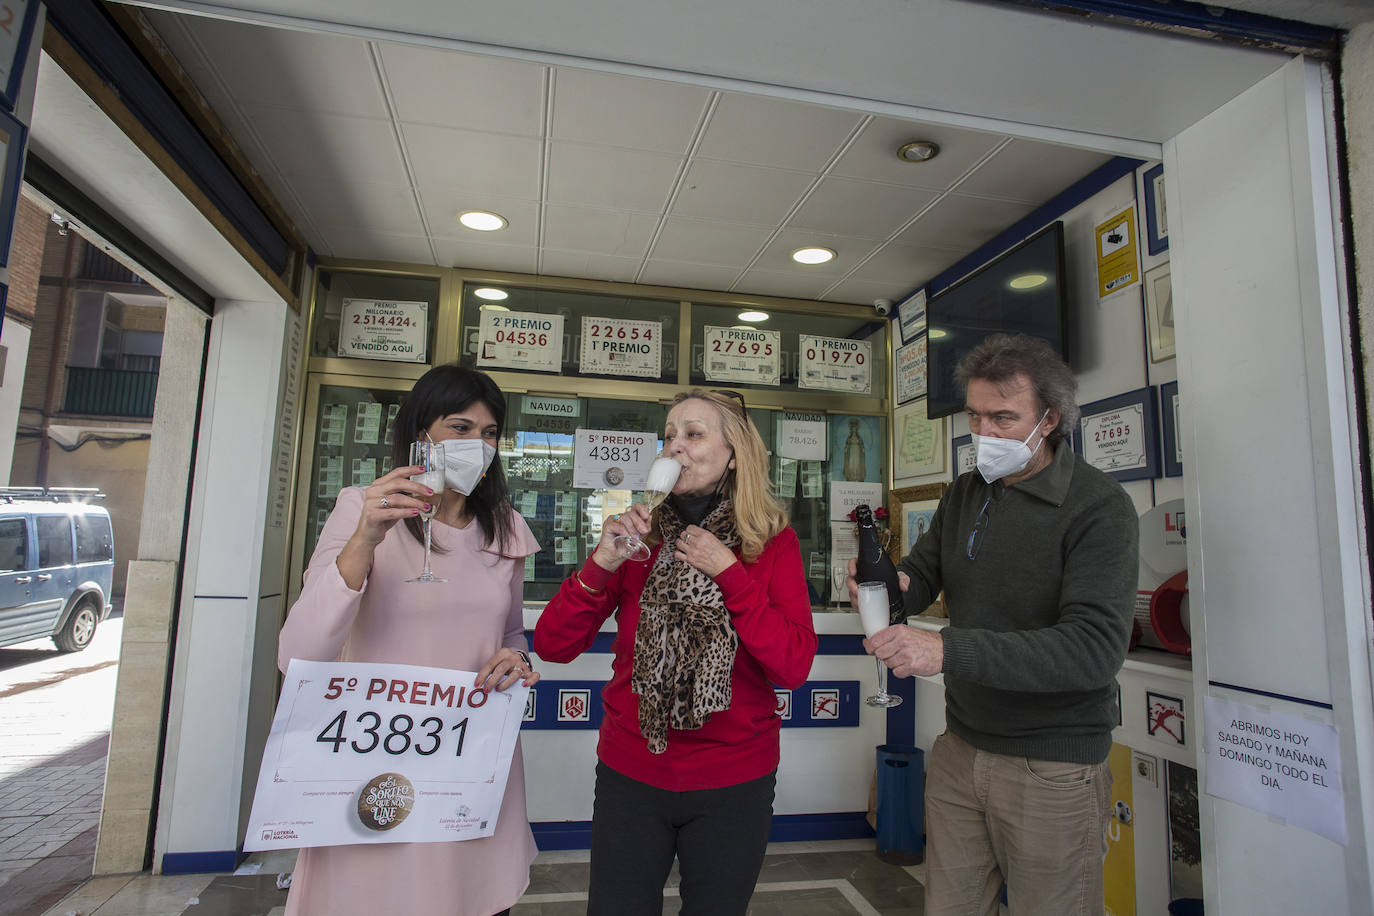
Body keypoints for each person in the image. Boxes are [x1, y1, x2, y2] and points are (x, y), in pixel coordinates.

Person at [853, 334, 1138, 916]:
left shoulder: (1099, 508)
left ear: (1050, 418)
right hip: (962, 747)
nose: (985, 433)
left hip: (1052, 765)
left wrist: (944, 652)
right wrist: (892, 586)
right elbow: (924, 573)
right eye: (976, 416)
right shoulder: (966, 492)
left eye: (1004, 418)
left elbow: (1092, 651)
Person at [535, 389, 817, 916]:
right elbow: (553, 646)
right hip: (632, 771)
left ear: (734, 453)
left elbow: (792, 666)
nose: (675, 448)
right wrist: (600, 563)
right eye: (668, 436)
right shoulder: (638, 538)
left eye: (693, 434)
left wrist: (731, 574)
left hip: (735, 778)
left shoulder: (771, 542)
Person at [277, 365, 540, 916]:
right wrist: (367, 539)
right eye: (460, 428)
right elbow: (298, 655)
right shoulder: (361, 507)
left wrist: (517, 658)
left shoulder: (504, 527)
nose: (478, 445)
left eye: (489, 434)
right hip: (375, 759)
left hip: (468, 762)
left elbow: (512, 632)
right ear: (421, 433)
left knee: (469, 895)